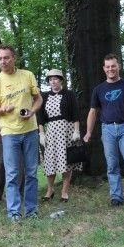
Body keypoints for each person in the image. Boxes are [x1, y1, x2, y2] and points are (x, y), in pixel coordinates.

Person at [0, 45, 42, 221]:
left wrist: (32, 111)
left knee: (31, 172)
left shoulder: (27, 75)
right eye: (0, 58)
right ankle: (14, 212)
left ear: (14, 58)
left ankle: (31, 210)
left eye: (6, 58)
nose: (3, 61)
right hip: (9, 133)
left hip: (30, 131)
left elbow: (38, 98)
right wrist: (2, 109)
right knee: (12, 174)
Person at [84, 53, 124, 206]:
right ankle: (116, 197)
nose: (111, 69)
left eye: (113, 66)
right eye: (108, 67)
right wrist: (88, 132)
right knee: (112, 165)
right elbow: (93, 111)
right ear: (104, 69)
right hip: (107, 129)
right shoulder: (99, 89)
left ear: (118, 66)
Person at [37, 69, 81, 202]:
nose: (53, 81)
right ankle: (50, 190)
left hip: (66, 131)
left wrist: (76, 131)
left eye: (55, 79)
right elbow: (40, 117)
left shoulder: (69, 94)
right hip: (51, 132)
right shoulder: (44, 96)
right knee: (50, 161)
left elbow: (76, 114)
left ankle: (64, 191)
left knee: (66, 161)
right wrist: (41, 133)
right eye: (50, 80)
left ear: (61, 80)